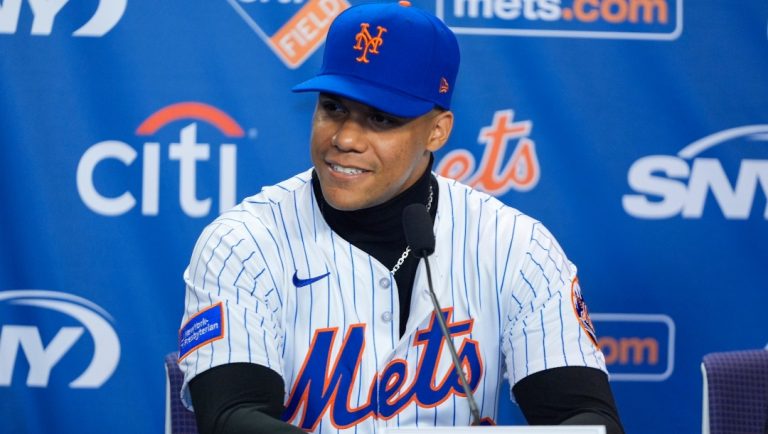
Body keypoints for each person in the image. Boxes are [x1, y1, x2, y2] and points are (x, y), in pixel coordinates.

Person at [177, 2, 624, 433]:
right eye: (333, 108)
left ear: (437, 130)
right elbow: (231, 417)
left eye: (380, 119)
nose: (346, 138)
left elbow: (585, 419)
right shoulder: (243, 242)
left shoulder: (514, 245)